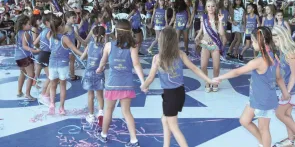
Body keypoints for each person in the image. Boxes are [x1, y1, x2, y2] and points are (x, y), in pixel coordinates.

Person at [140, 27, 218, 147]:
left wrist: (143, 86)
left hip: (170, 95)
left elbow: (150, 78)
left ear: (162, 41)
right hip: (179, 93)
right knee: (165, 120)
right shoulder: (180, 54)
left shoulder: (158, 58)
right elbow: (194, 68)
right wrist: (208, 80)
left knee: (173, 127)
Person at [213, 27, 287, 147]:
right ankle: (263, 143)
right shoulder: (273, 55)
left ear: (260, 42)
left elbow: (238, 72)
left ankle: (265, 144)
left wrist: (220, 77)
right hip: (258, 97)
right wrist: (285, 92)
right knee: (244, 120)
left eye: (253, 41)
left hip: (263, 100)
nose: (252, 44)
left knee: (264, 129)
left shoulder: (259, 61)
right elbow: (278, 77)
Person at [95, 19, 145, 147]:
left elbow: (103, 62)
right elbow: (136, 65)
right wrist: (143, 81)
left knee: (108, 111)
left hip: (112, 84)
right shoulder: (133, 47)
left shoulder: (108, 45)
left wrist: (99, 69)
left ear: (116, 32)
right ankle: (134, 140)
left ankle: (103, 135)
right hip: (127, 84)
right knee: (126, 112)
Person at [80, 26, 106, 125]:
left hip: (88, 73)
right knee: (99, 95)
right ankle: (101, 113)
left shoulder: (89, 45)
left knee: (90, 95)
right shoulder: (104, 47)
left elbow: (82, 57)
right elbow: (104, 61)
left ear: (93, 35)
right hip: (99, 73)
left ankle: (91, 116)